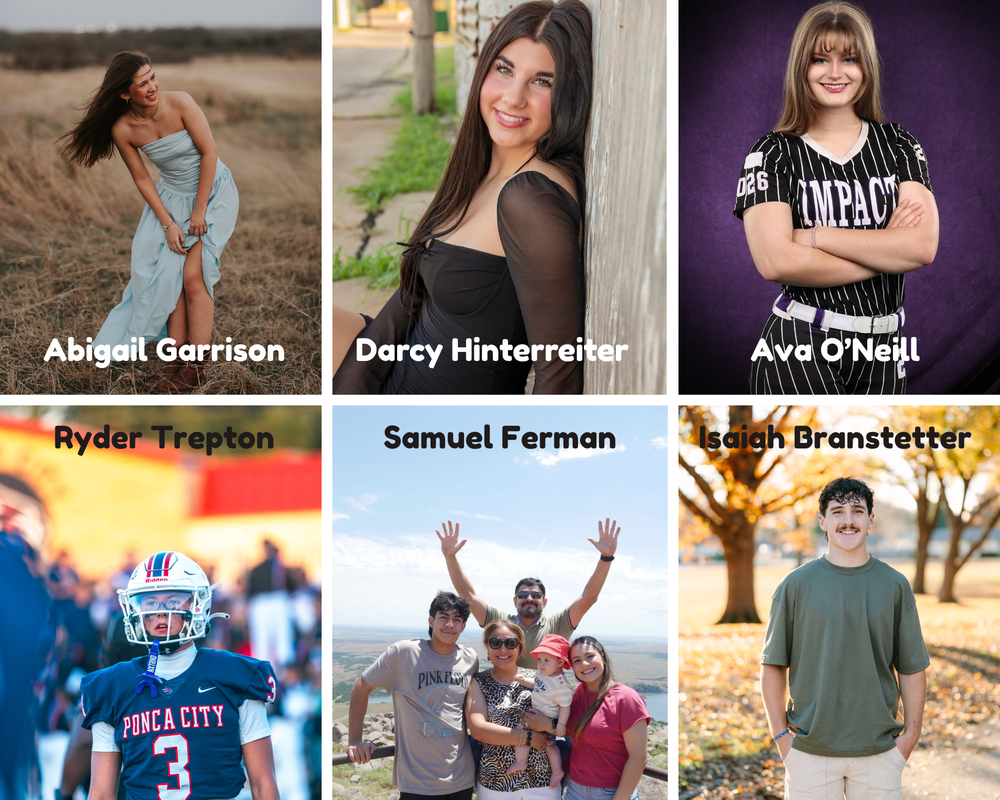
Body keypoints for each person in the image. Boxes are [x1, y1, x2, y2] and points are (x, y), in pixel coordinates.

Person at [334, 0, 592, 394]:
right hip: (401, 366)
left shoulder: (531, 199)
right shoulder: (482, 171)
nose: (512, 97)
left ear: (568, 96)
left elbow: (558, 373)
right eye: (504, 70)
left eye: (543, 81)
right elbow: (408, 303)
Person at [733, 2, 939, 394]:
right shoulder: (772, 152)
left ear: (866, 68)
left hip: (884, 348)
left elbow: (921, 247)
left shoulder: (898, 144)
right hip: (800, 340)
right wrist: (886, 253)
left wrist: (815, 236)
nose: (834, 73)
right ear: (801, 68)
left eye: (849, 59)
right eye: (818, 59)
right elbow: (775, 260)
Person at [58, 51, 239, 393]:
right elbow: (142, 179)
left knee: (192, 275)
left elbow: (209, 154)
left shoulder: (182, 103)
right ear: (125, 93)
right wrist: (169, 223)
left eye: (152, 77)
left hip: (213, 191)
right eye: (142, 84)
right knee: (164, 276)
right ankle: (174, 365)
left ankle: (196, 369)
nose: (153, 86)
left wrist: (199, 212)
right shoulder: (122, 129)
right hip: (171, 199)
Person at [760, 477, 929, 799]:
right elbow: (772, 665)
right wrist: (782, 739)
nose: (848, 520)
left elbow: (912, 667)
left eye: (857, 511)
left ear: (871, 520)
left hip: (879, 753)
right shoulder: (795, 586)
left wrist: (910, 736)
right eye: (837, 511)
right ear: (822, 521)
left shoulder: (894, 585)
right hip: (809, 752)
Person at [80, 551, 279, 800]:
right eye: (150, 602)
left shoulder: (236, 676)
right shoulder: (111, 687)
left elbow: (263, 785)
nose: (161, 611)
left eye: (173, 600)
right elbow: (101, 795)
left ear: (199, 604)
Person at [437, 517, 620, 668]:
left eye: (535, 596)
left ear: (544, 602)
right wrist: (450, 557)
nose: (529, 599)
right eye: (523, 596)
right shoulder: (501, 622)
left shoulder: (558, 625)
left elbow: (588, 598)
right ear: (515, 601)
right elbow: (468, 595)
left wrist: (606, 558)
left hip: (545, 704)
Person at [347, 592, 478, 800]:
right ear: (431, 620)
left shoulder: (470, 659)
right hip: (418, 784)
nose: (450, 624)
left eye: (457, 620)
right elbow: (361, 686)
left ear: (463, 626)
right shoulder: (404, 653)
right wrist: (355, 739)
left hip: (461, 779)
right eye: (444, 617)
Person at [465, 621, 558, 799]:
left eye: (510, 643)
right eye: (495, 643)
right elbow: (478, 729)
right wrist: (529, 738)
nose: (503, 649)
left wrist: (551, 725)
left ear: (519, 647)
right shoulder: (479, 682)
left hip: (543, 783)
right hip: (496, 783)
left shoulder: (539, 678)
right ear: (487, 646)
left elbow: (566, 719)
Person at [563, 636, 649, 800]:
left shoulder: (627, 699)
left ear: (603, 657)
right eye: (577, 660)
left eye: (590, 656)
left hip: (611, 793)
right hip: (574, 790)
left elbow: (638, 758)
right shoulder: (579, 692)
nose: (585, 664)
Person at [508, 634, 573, 787]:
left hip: (543, 717)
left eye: (546, 660)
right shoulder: (544, 674)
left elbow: (565, 706)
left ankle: (521, 761)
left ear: (560, 662)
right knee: (549, 745)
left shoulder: (560, 684)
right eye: (539, 659)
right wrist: (525, 681)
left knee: (520, 731)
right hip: (538, 715)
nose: (541, 664)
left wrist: (561, 725)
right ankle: (557, 770)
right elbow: (537, 684)